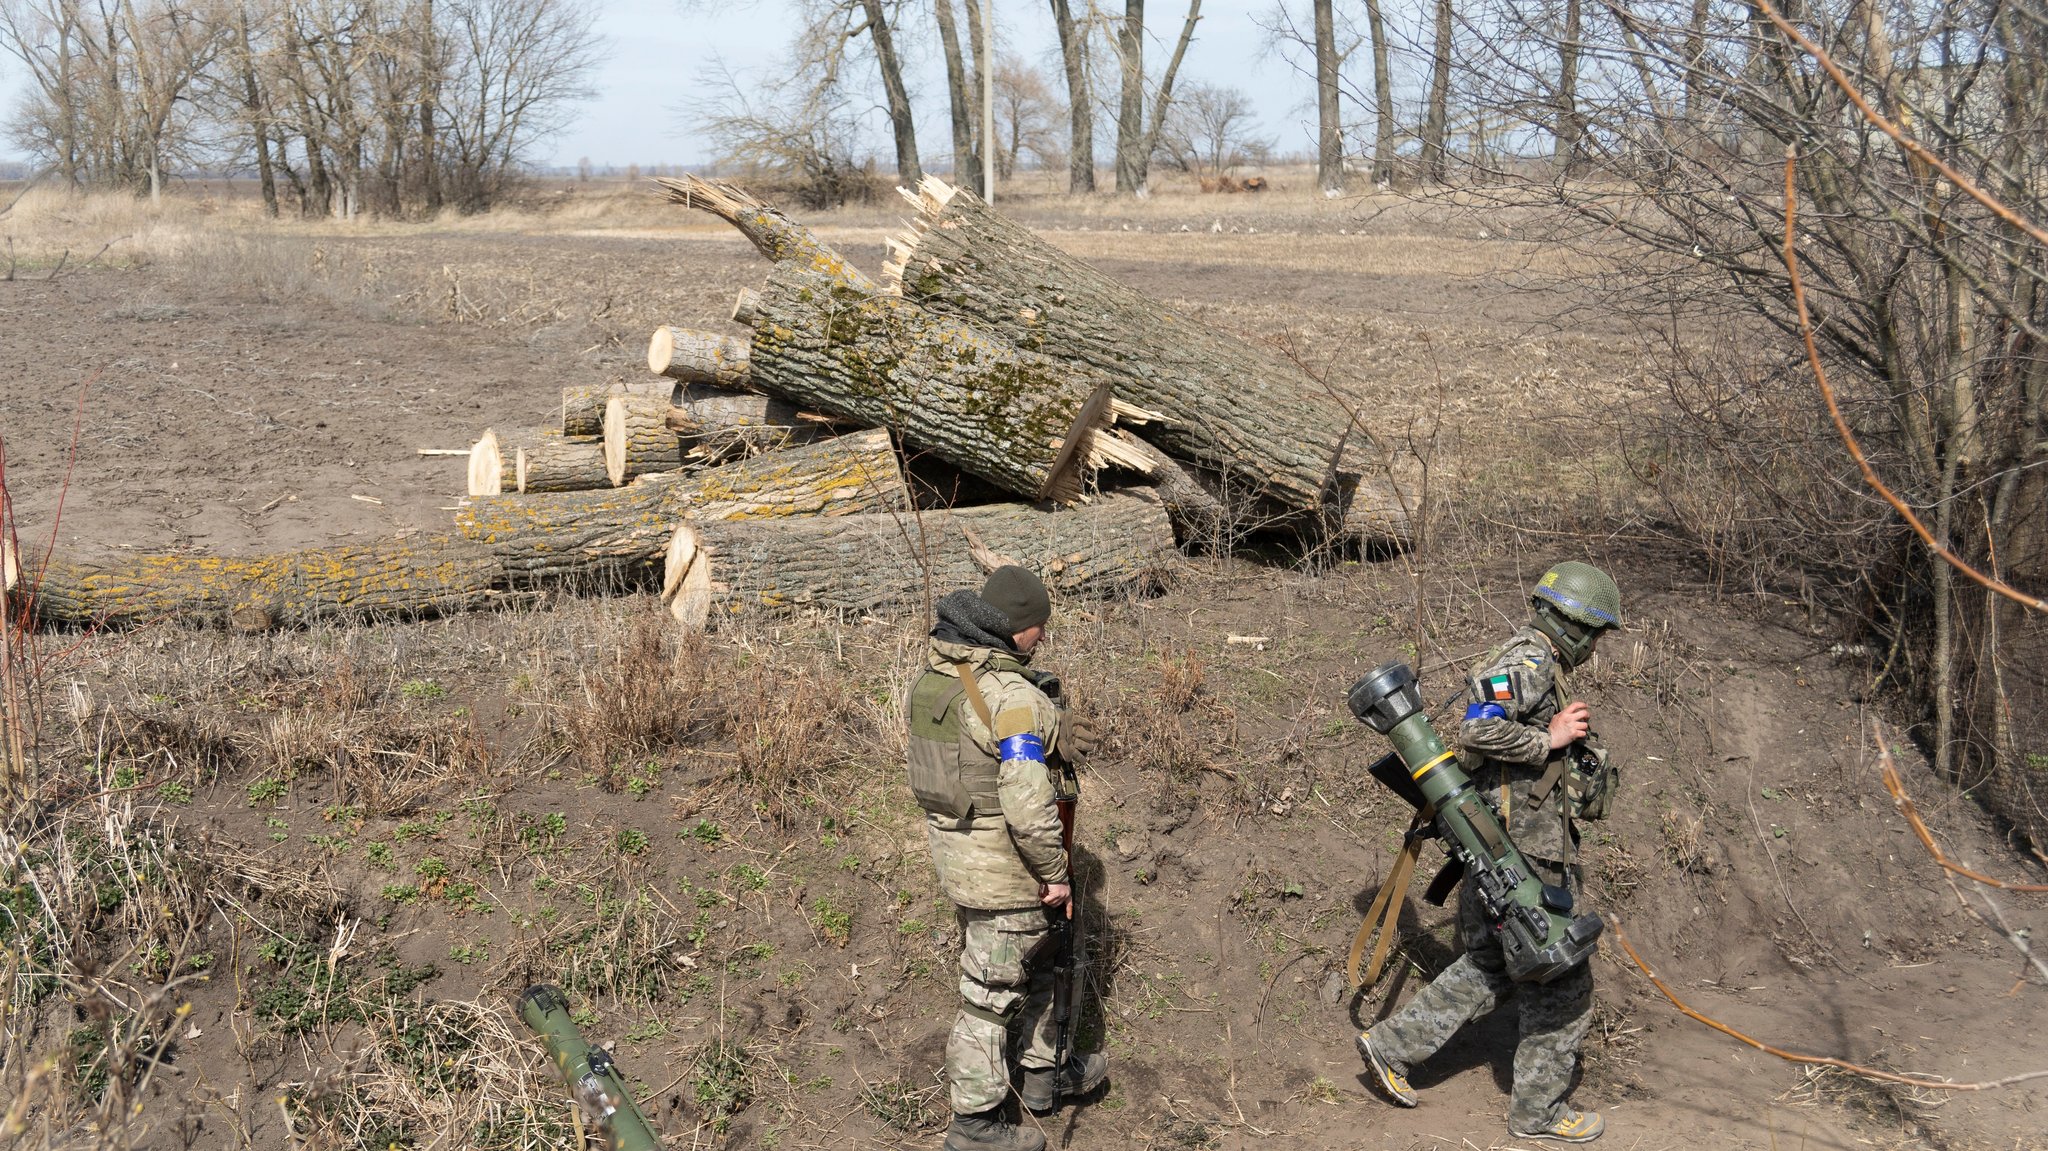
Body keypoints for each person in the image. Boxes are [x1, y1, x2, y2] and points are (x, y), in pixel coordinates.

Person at [1356, 561, 1623, 1143]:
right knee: (1560, 976)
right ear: (1574, 623)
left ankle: (1390, 1047)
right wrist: (1547, 739)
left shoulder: (1537, 663)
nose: (1597, 645)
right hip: (1517, 854)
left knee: (1491, 966)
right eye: (1597, 632)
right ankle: (1538, 1114)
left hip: (1504, 848)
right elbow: (1479, 730)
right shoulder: (1527, 660)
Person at [906, 565, 1109, 1151]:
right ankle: (974, 1127)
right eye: (1037, 627)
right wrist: (1055, 875)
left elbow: (971, 758)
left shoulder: (937, 678)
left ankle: (1042, 1080)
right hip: (1008, 869)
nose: (1042, 637)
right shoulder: (1012, 695)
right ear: (1015, 629)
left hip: (961, 859)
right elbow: (1025, 801)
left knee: (1043, 964)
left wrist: (1050, 735)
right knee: (989, 998)